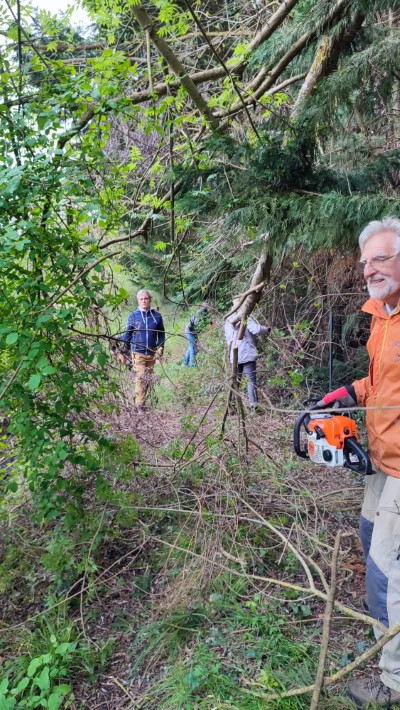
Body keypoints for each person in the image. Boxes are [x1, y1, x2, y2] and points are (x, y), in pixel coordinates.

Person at [316, 216, 400, 708]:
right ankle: (387, 637)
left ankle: (394, 683)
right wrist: (347, 393)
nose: (369, 269)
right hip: (383, 456)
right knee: (371, 540)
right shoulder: (382, 315)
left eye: (381, 258)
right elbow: (382, 385)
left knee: (385, 567)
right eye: (366, 261)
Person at [121, 289, 165, 411]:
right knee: (140, 378)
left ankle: (141, 402)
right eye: (141, 299)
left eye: (146, 298)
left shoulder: (157, 316)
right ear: (138, 301)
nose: (144, 301)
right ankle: (139, 407)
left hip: (151, 353)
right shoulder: (133, 316)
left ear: (150, 300)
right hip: (137, 352)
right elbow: (127, 335)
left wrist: (160, 347)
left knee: (147, 380)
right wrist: (123, 352)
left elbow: (161, 333)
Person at [224, 302, 270, 410]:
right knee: (251, 380)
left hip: (234, 355)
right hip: (247, 353)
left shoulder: (228, 319)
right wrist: (266, 329)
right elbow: (256, 329)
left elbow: (228, 338)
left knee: (235, 381)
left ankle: (232, 405)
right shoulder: (245, 316)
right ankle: (253, 405)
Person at [182, 303, 212, 367]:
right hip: (189, 331)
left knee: (191, 347)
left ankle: (184, 363)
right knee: (193, 348)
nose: (211, 309)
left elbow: (209, 322)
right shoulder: (200, 313)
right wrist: (202, 329)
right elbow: (196, 325)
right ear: (206, 307)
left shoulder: (206, 313)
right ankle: (192, 365)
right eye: (209, 307)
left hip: (193, 332)